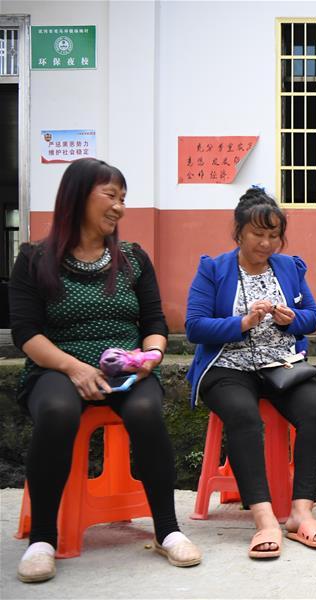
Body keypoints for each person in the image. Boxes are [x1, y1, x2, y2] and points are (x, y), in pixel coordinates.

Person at [9, 158, 201, 583]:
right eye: (110, 196)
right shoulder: (34, 259)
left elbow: (154, 322)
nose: (119, 207)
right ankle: (43, 539)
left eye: (123, 199)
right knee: (58, 412)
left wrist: (151, 356)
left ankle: (168, 530)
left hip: (127, 369)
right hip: (57, 367)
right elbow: (26, 332)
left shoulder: (132, 258)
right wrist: (74, 368)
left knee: (146, 412)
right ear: (77, 196)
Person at [185, 186, 316, 559]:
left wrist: (291, 319)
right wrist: (241, 323)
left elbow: (313, 318)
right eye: (257, 234)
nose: (266, 243)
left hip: (281, 365)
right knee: (244, 416)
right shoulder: (213, 269)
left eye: (273, 235)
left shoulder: (289, 267)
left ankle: (301, 513)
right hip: (227, 366)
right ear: (239, 232)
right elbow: (194, 326)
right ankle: (265, 519)